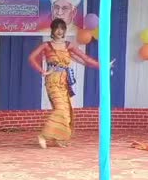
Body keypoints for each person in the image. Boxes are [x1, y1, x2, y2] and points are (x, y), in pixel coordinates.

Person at [29, 18, 113, 149]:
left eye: (62, 28)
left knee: (67, 111)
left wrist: (103, 66)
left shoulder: (69, 45)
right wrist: (43, 71)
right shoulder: (47, 45)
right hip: (52, 80)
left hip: (64, 81)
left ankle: (59, 137)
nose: (59, 31)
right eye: (57, 28)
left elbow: (85, 59)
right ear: (52, 30)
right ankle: (44, 135)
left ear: (65, 31)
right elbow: (31, 58)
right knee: (60, 109)